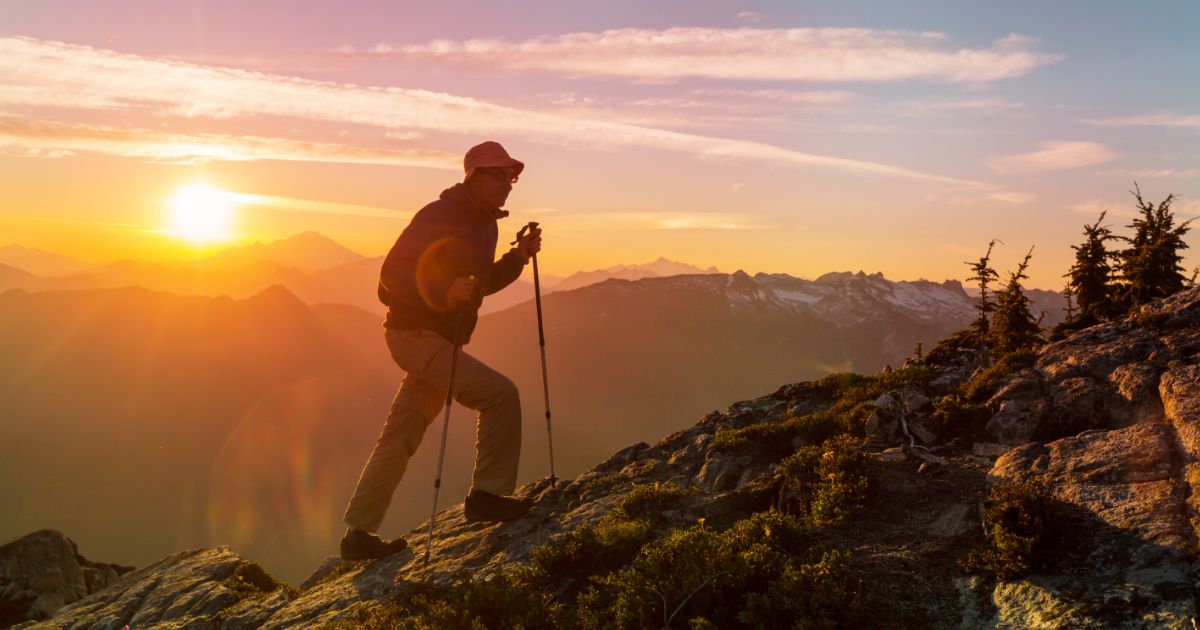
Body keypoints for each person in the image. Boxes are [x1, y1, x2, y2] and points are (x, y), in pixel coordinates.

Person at [340, 141, 542, 561]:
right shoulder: (439, 215)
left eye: (512, 177)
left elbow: (479, 285)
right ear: (473, 176)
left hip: (437, 340)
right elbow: (392, 272)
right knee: (500, 395)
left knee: (401, 435)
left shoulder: (487, 225)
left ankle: (357, 536)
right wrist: (441, 292)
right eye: (499, 175)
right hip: (413, 336)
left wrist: (518, 257)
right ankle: (487, 496)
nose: (508, 185)